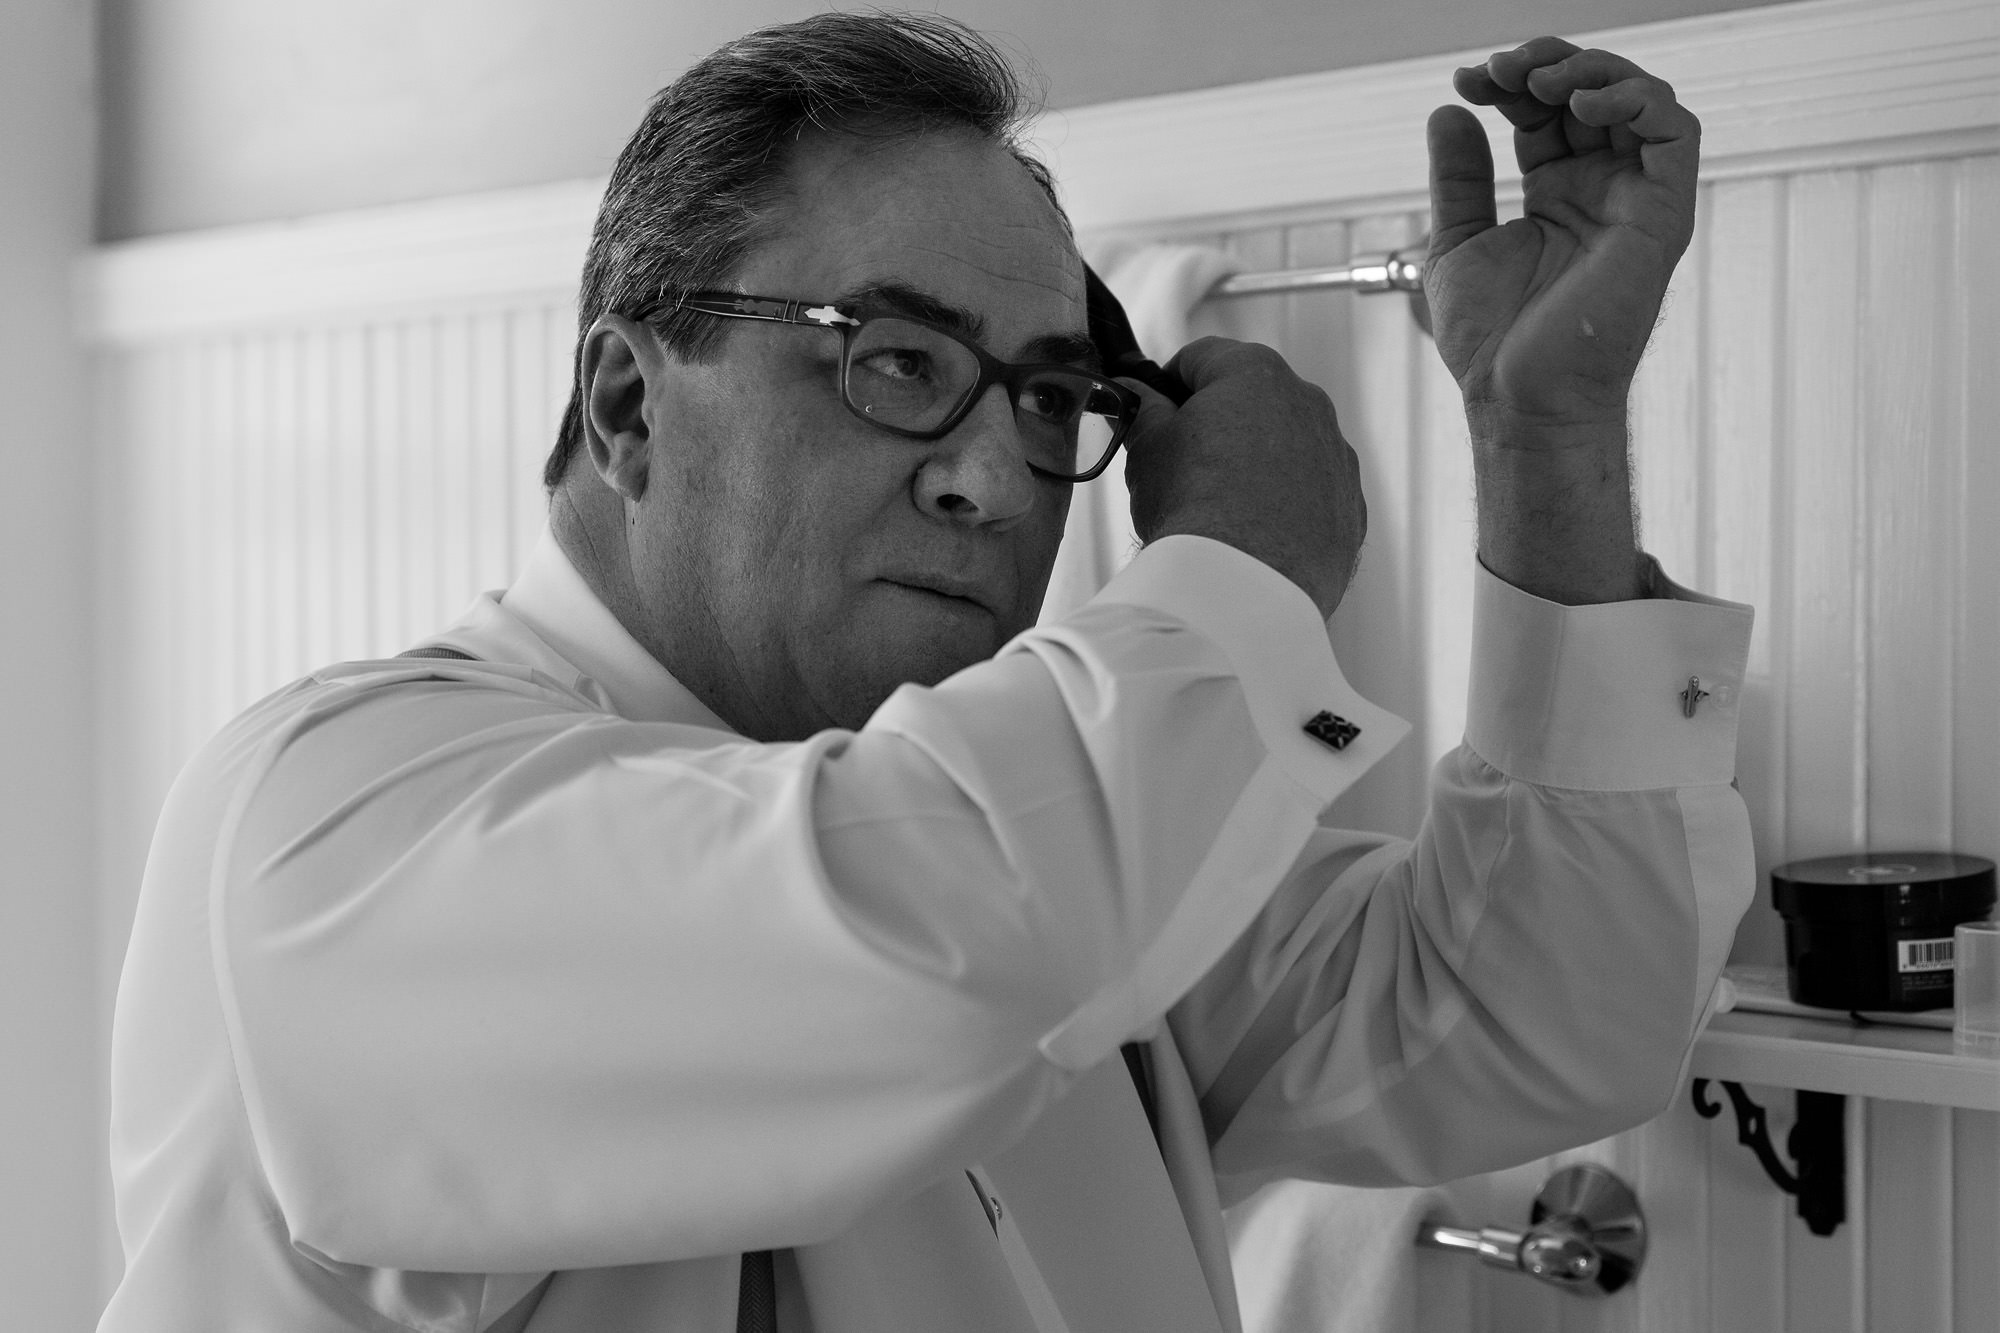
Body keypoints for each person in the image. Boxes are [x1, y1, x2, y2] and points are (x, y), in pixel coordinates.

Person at [99, 13, 1754, 1333]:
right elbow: (948, 937)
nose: (989, 479)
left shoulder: (1058, 836)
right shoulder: (331, 821)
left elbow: (1536, 1019)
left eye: (1047, 400)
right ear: (625, 403)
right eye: (894, 362)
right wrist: (1240, 564)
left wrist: (1545, 439)